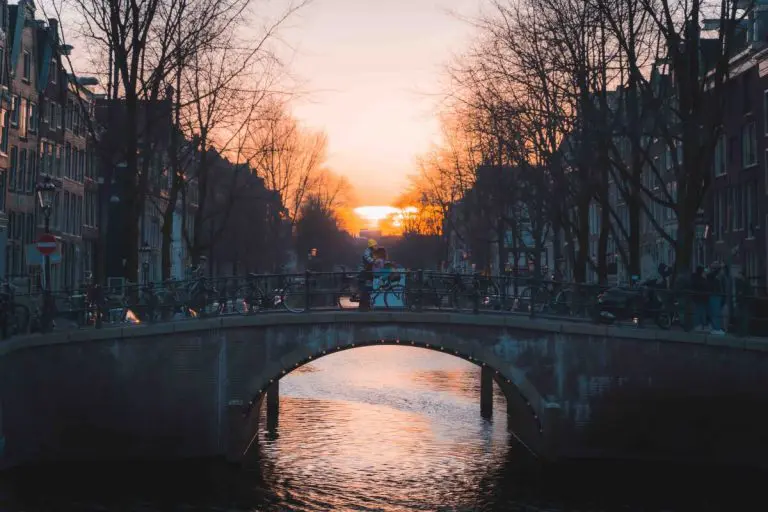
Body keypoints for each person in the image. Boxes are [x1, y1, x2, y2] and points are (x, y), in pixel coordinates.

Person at [359, 239, 377, 311]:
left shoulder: (372, 252)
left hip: (368, 271)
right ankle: (363, 305)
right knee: (366, 288)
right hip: (364, 271)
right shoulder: (367, 251)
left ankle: (366, 305)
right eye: (375, 245)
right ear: (371, 246)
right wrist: (374, 261)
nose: (376, 247)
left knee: (368, 288)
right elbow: (368, 258)